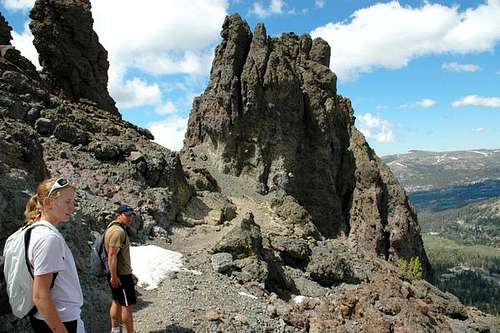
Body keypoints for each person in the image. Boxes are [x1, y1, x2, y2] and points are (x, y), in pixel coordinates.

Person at [24, 177, 85, 333]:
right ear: (48, 202)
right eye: (67, 202)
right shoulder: (48, 239)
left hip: (47, 318)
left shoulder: (34, 231)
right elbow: (40, 296)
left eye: (73, 202)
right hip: (61, 320)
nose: (72, 208)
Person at [104, 204, 136, 333]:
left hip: (115, 274)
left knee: (116, 301)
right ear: (119, 215)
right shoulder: (118, 232)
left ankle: (115, 329)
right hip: (121, 275)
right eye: (127, 215)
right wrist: (114, 276)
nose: (130, 218)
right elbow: (112, 255)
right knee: (127, 305)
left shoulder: (111, 228)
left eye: (132, 215)